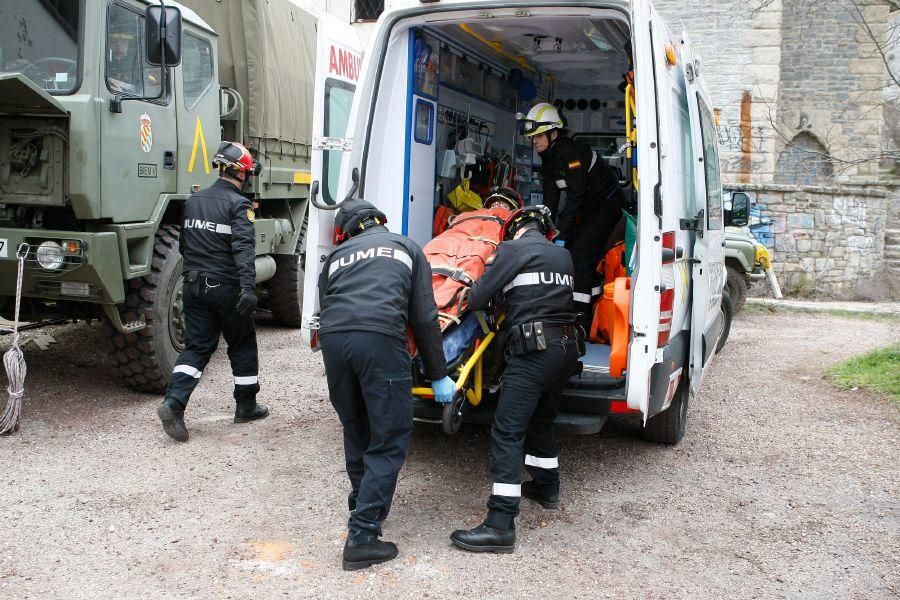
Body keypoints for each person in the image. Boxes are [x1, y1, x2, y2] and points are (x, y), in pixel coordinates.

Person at [316, 200, 455, 571]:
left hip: (334, 341)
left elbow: (324, 306)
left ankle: (363, 502)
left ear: (347, 231)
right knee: (390, 436)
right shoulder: (407, 248)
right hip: (379, 339)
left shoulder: (335, 257)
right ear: (380, 223)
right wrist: (438, 372)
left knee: (355, 424)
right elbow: (425, 317)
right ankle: (362, 535)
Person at [450, 205, 580, 553]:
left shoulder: (512, 250)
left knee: (507, 430)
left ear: (513, 230)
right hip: (566, 349)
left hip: (533, 351)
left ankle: (500, 523)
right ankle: (546, 486)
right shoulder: (562, 255)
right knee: (541, 419)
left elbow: (478, 297)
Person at [156, 141, 268, 443]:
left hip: (193, 286)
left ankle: (174, 403)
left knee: (196, 347)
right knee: (242, 344)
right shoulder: (240, 205)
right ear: (242, 174)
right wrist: (248, 288)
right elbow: (244, 250)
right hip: (226, 289)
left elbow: (184, 246)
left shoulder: (194, 201)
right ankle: (246, 406)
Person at [519, 102, 625, 325]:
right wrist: (542, 229)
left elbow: (575, 197)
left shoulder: (571, 153)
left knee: (579, 255)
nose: (534, 141)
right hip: (588, 209)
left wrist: (562, 234)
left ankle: (579, 319)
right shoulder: (548, 157)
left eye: (539, 136)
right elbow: (551, 199)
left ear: (553, 133)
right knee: (568, 249)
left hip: (605, 208)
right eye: (533, 136)